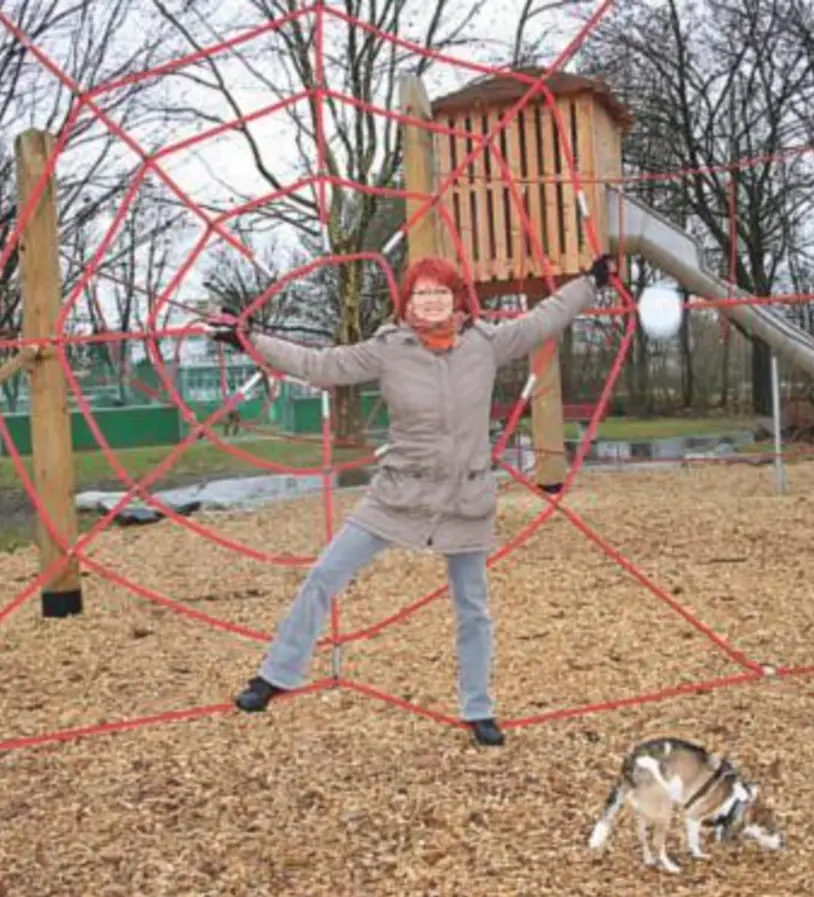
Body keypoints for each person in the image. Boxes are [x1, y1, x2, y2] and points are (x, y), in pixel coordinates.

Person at [204, 253, 614, 746]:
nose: (432, 301)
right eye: (422, 293)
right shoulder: (389, 349)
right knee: (324, 575)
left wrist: (589, 284)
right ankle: (275, 675)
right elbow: (320, 365)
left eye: (441, 292)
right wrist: (249, 340)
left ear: (457, 299)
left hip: (465, 495)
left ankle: (479, 708)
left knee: (473, 607)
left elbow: (543, 318)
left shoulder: (485, 344)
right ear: (408, 301)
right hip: (400, 492)